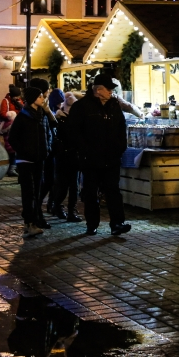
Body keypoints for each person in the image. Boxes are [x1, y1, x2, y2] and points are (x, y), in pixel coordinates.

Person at [68, 75, 130, 236]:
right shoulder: (81, 107)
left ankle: (117, 223)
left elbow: (121, 128)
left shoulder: (114, 105)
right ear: (98, 89)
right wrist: (85, 151)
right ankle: (92, 224)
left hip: (111, 158)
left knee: (113, 191)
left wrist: (120, 148)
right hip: (91, 159)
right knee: (90, 192)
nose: (111, 92)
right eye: (108, 88)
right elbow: (74, 133)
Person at [7, 86, 48, 238]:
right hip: (25, 160)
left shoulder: (41, 114)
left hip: (39, 159)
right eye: (39, 97)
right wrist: (24, 151)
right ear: (32, 99)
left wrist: (45, 151)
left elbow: (44, 136)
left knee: (37, 191)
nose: (42, 99)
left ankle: (34, 221)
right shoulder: (23, 117)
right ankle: (29, 222)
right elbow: (13, 138)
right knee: (28, 192)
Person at [28, 78, 58, 222]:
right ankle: (36, 214)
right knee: (39, 184)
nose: (48, 93)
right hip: (39, 153)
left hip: (48, 150)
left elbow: (53, 125)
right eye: (46, 90)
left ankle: (38, 211)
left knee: (49, 181)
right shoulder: (32, 112)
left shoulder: (43, 109)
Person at [51, 92, 83, 222]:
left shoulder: (65, 119)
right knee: (66, 184)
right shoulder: (62, 120)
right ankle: (62, 208)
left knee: (70, 184)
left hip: (70, 155)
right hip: (66, 154)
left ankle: (67, 209)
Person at [0, 85, 23, 176]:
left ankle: (14, 167)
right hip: (9, 126)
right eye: (16, 96)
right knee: (11, 147)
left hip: (18, 125)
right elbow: (2, 114)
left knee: (17, 147)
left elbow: (23, 110)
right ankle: (11, 167)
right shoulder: (5, 101)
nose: (18, 98)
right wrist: (12, 114)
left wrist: (19, 106)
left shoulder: (19, 101)